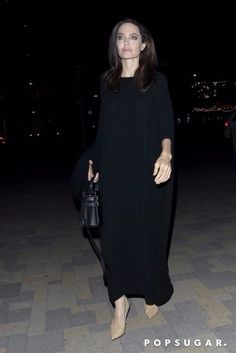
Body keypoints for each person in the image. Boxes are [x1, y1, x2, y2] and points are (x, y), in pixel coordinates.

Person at [86, 18, 175, 340]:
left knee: (148, 235)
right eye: (121, 37)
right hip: (115, 172)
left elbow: (166, 124)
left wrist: (166, 155)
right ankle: (120, 304)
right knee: (115, 239)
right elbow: (104, 129)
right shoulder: (107, 82)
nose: (126, 42)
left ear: (143, 44)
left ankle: (151, 290)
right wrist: (93, 162)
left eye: (133, 37)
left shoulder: (155, 81)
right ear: (116, 44)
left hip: (149, 172)